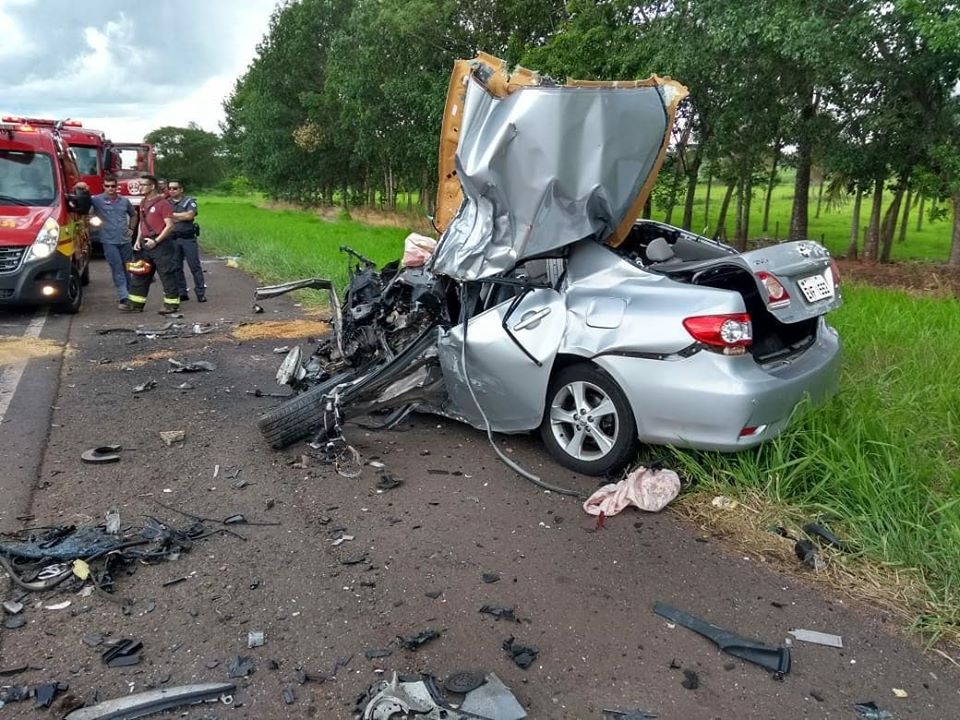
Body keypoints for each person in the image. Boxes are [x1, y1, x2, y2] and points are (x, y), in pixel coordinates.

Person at [122, 175, 180, 314]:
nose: (140, 187)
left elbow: (170, 226)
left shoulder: (163, 203)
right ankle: (135, 304)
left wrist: (157, 241)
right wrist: (137, 241)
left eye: (143, 185)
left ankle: (171, 304)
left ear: (152, 186)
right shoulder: (143, 202)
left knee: (166, 274)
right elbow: (143, 223)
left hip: (161, 245)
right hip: (145, 244)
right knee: (140, 273)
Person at [89, 176, 137, 309]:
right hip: (109, 240)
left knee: (128, 268)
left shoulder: (124, 201)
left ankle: (131, 296)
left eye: (113, 186)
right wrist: (94, 221)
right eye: (107, 186)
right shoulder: (97, 200)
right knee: (117, 268)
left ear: (117, 187)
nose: (110, 189)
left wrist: (131, 228)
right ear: (103, 186)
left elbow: (134, 214)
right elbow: (86, 212)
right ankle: (124, 297)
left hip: (125, 239)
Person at [168, 180, 206, 302]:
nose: (172, 191)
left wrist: (172, 216)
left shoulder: (189, 201)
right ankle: (182, 292)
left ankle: (200, 293)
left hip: (188, 238)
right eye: (170, 188)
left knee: (195, 266)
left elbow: (190, 216)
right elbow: (165, 219)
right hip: (173, 238)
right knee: (176, 267)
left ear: (181, 189)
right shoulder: (166, 203)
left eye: (175, 188)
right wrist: (180, 216)